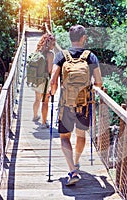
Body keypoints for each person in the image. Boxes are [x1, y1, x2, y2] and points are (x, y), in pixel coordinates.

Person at [49, 25, 102, 185]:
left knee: (64, 137)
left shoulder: (61, 55)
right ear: (83, 38)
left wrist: (52, 94)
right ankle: (77, 161)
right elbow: (99, 82)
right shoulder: (90, 57)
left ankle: (72, 170)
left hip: (66, 104)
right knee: (81, 135)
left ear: (70, 38)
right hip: (84, 104)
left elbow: (53, 81)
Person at [32, 33, 56, 129]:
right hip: (45, 80)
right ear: (49, 44)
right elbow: (50, 70)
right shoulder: (50, 54)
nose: (54, 46)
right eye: (53, 44)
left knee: (37, 99)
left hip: (36, 79)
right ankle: (43, 123)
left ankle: (35, 116)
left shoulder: (38, 51)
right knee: (45, 102)